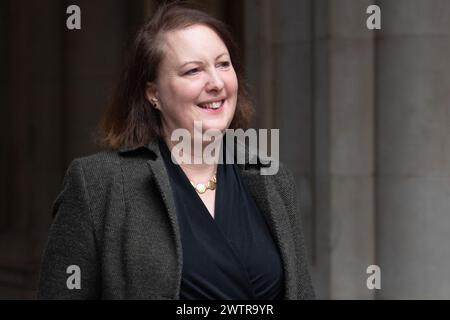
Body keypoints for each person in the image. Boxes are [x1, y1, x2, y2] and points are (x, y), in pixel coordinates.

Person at [37, 3, 315, 300]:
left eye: (223, 64)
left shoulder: (272, 177)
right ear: (153, 93)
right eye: (193, 70)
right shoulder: (97, 185)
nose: (217, 83)